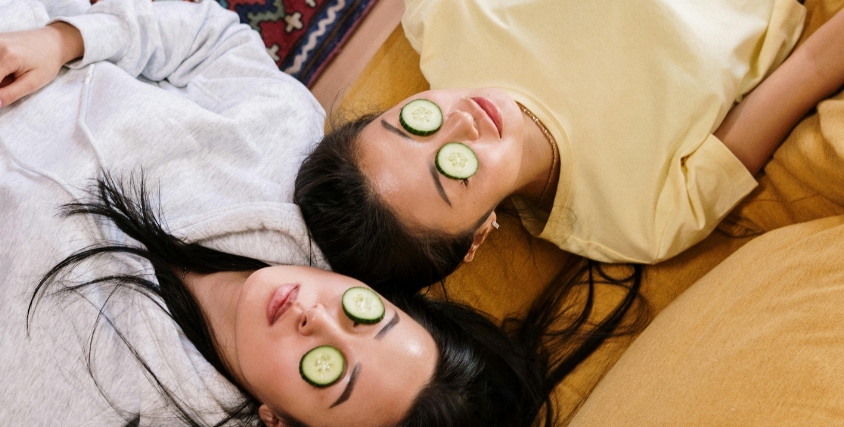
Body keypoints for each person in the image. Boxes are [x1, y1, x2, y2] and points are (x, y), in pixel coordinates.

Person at [0, 1, 634, 427]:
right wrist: (65, 38)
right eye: (365, 315)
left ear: (284, 425)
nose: (316, 320)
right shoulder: (287, 156)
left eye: (326, 371)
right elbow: (207, 38)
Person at [296, 0, 844, 293]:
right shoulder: (641, 221)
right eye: (452, 169)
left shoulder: (441, 18)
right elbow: (809, 71)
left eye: (412, 123)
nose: (459, 124)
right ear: (478, 236)